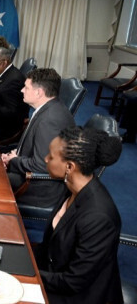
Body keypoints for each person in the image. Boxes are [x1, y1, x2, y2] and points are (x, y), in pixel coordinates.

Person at [34, 126, 123, 304]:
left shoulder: (99, 217)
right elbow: (52, 247)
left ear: (69, 167)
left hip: (77, 296)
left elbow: (73, 282)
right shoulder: (72, 188)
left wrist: (27, 273)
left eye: (51, 156)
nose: (45, 159)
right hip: (54, 276)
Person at [1, 68, 75, 207]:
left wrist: (15, 161)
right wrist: (16, 154)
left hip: (38, 186)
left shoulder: (49, 120)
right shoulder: (48, 108)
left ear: (39, 92)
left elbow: (42, 165)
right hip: (28, 173)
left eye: (26, 87)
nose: (22, 90)